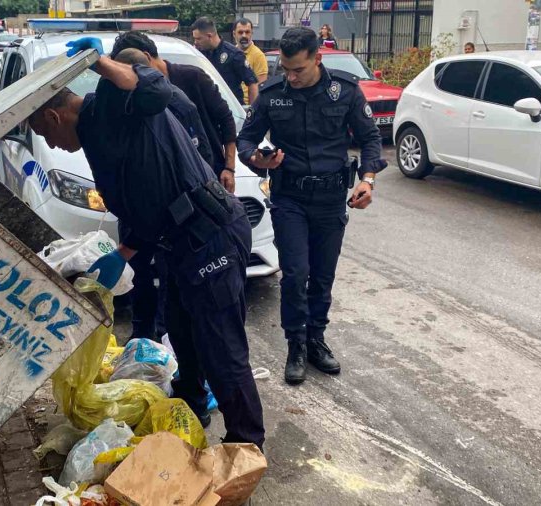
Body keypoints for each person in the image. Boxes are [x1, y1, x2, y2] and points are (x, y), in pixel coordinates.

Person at [28, 36, 265, 448]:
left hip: (209, 235)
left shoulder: (112, 104)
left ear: (53, 116)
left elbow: (154, 87)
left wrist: (97, 62)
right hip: (177, 244)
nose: (51, 146)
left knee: (221, 351)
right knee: (182, 335)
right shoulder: (95, 135)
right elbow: (144, 199)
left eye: (46, 135)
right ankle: (189, 414)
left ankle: (246, 446)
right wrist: (123, 254)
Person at [237, 27, 386, 385]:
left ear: (317, 58)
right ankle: (296, 345)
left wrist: (368, 179)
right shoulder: (273, 95)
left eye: (297, 70)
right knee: (295, 273)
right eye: (285, 69)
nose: (290, 76)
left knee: (322, 275)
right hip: (290, 198)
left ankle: (316, 339)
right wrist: (259, 160)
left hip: (331, 198)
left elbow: (370, 139)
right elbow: (245, 139)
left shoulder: (345, 92)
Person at [110, 47, 214, 342]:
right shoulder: (119, 108)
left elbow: (202, 157)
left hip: (174, 213)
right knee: (139, 273)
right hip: (137, 209)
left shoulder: (178, 103)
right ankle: (141, 334)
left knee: (170, 276)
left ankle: (165, 334)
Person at [110, 31, 238, 193]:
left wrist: (229, 168)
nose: (129, 77)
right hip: (170, 185)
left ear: (146, 57)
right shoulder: (134, 93)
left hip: (211, 178)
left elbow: (226, 119)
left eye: (130, 70)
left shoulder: (193, 77)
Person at [191, 17, 259, 105]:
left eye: (198, 38)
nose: (195, 42)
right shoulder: (198, 53)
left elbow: (252, 83)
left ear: (209, 36)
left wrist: (252, 112)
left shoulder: (233, 54)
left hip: (232, 110)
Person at [233, 18, 268, 105]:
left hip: (247, 106)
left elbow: (261, 86)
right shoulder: (231, 53)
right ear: (234, 34)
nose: (244, 35)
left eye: (247, 32)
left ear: (252, 33)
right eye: (240, 32)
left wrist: (252, 110)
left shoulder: (258, 55)